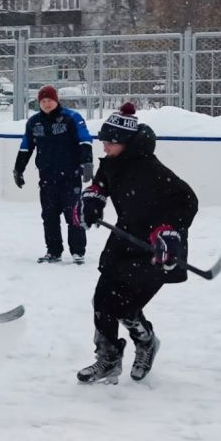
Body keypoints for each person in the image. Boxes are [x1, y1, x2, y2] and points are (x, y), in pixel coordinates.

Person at [72, 102, 198, 383]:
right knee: (103, 301)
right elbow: (100, 184)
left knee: (126, 306)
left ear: (126, 143)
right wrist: (92, 199)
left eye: (109, 143)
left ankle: (146, 343)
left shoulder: (152, 170)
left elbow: (187, 201)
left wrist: (168, 231)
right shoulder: (113, 164)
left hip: (158, 249)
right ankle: (107, 360)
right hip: (124, 238)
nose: (104, 148)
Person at [13, 84, 93, 264]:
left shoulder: (72, 118)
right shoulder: (34, 122)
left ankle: (77, 252)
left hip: (70, 177)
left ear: (56, 100)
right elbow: (26, 146)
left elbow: (85, 139)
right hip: (47, 178)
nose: (47, 104)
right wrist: (18, 169)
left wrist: (87, 162)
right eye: (43, 101)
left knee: (73, 215)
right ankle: (54, 251)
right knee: (49, 216)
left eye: (50, 100)